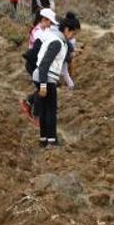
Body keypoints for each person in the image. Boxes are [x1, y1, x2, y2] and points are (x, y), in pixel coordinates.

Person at [34, 12, 80, 147]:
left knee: (44, 109)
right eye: (73, 33)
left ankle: (44, 140)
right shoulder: (57, 42)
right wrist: (43, 85)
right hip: (46, 78)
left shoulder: (58, 40)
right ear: (66, 30)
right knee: (51, 110)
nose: (73, 37)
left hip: (43, 77)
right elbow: (44, 64)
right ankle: (52, 141)